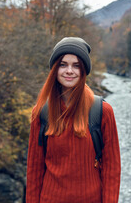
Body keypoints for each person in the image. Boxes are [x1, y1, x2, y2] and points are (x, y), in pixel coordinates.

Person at [26, 37, 121, 203]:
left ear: (83, 71)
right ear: (55, 69)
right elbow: (34, 170)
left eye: (76, 65)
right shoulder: (41, 113)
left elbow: (112, 170)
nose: (69, 71)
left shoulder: (102, 112)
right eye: (63, 64)